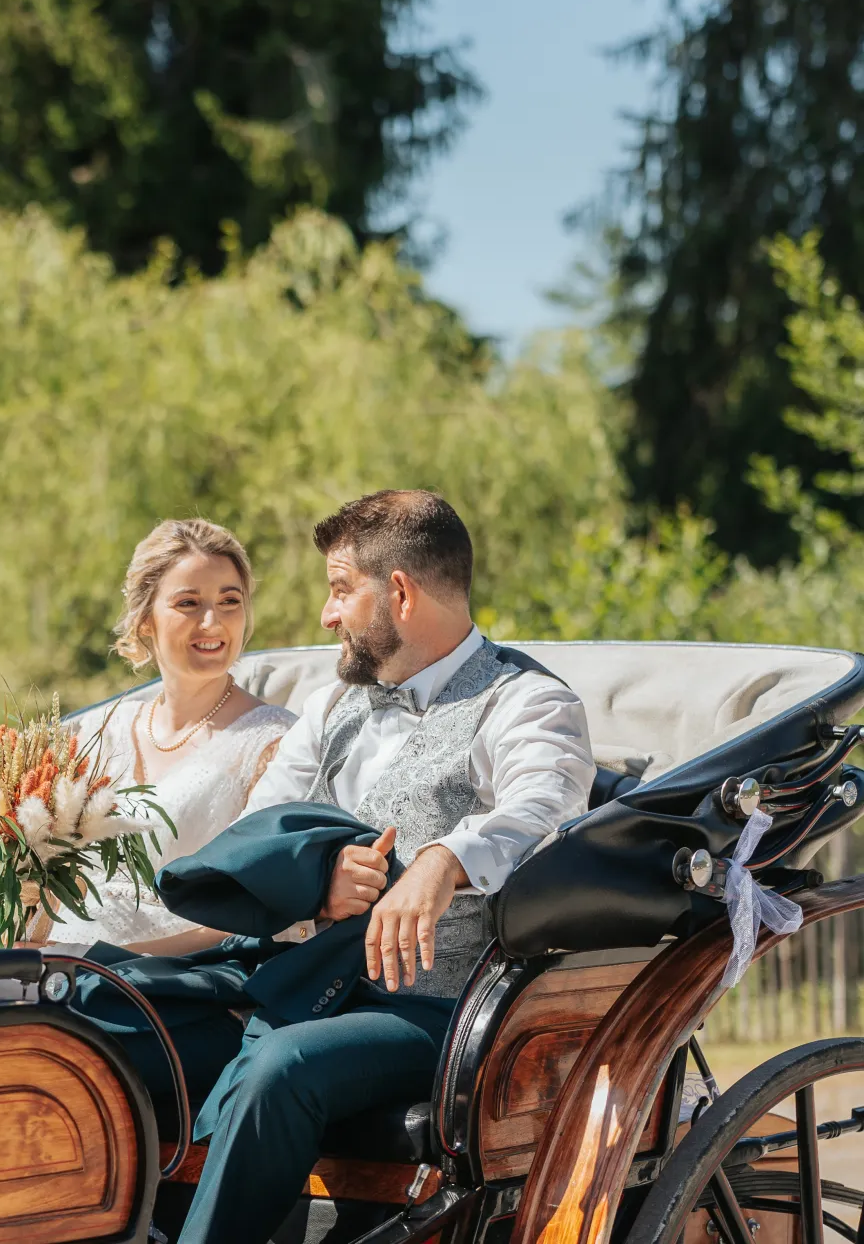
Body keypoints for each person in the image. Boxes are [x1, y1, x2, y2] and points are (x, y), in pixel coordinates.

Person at [176, 490, 595, 1244]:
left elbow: (546, 809)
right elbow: (257, 831)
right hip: (304, 981)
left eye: (341, 590)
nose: (326, 615)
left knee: (281, 1067)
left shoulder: (528, 703)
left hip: (448, 1011)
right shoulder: (332, 706)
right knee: (126, 1029)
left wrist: (445, 858)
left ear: (399, 593)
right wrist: (317, 883)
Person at [46, 519, 294, 952]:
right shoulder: (102, 733)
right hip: (58, 954)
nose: (212, 622)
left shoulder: (274, 742)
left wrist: (103, 961)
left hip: (165, 973)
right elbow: (56, 874)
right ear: (145, 620)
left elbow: (260, 912)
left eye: (229, 601)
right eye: (189, 603)